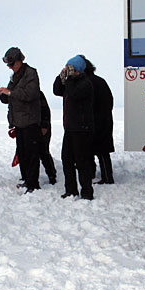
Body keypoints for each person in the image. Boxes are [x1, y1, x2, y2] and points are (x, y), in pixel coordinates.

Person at [0, 47, 42, 192]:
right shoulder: (14, 77)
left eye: (11, 64)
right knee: (22, 153)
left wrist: (10, 92)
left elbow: (31, 94)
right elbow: (9, 98)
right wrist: (2, 94)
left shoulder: (30, 73)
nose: (9, 67)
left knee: (32, 153)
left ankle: (33, 183)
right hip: (19, 122)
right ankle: (27, 180)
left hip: (30, 121)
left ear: (20, 60)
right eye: (8, 65)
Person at [53, 55, 95, 200]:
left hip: (82, 129)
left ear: (78, 69)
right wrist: (61, 77)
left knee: (82, 162)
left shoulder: (85, 83)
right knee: (67, 160)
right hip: (70, 128)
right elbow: (57, 90)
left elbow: (74, 94)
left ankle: (87, 192)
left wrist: (69, 79)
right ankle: (71, 190)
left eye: (71, 68)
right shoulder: (69, 83)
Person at [81, 56, 115, 184]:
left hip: (93, 121)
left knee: (91, 150)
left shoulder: (86, 83)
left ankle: (97, 175)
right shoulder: (101, 81)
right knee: (103, 152)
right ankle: (106, 176)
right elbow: (110, 101)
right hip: (104, 120)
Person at [39, 91, 57, 184]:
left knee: (43, 152)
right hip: (29, 126)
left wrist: (45, 125)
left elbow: (45, 110)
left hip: (42, 127)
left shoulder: (37, 94)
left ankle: (52, 174)